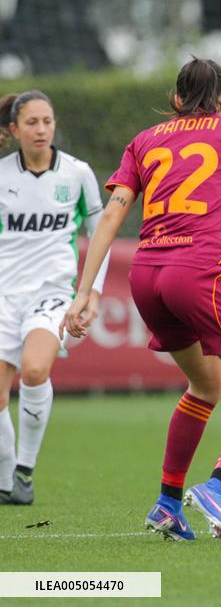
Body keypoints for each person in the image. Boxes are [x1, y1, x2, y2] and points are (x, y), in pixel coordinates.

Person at [62, 58, 221, 542]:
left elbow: (109, 217)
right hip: (200, 273)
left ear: (175, 100)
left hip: (147, 276)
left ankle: (168, 504)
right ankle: (220, 486)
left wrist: (85, 292)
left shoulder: (144, 140)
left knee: (208, 384)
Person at [0, 90, 109, 506]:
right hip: (3, 295)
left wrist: (92, 293)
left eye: (47, 121)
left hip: (51, 295)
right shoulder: (2, 175)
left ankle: (24, 471)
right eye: (31, 122)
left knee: (33, 369)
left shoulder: (77, 174)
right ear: (14, 129)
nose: (41, 129)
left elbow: (101, 235)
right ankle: (7, 475)